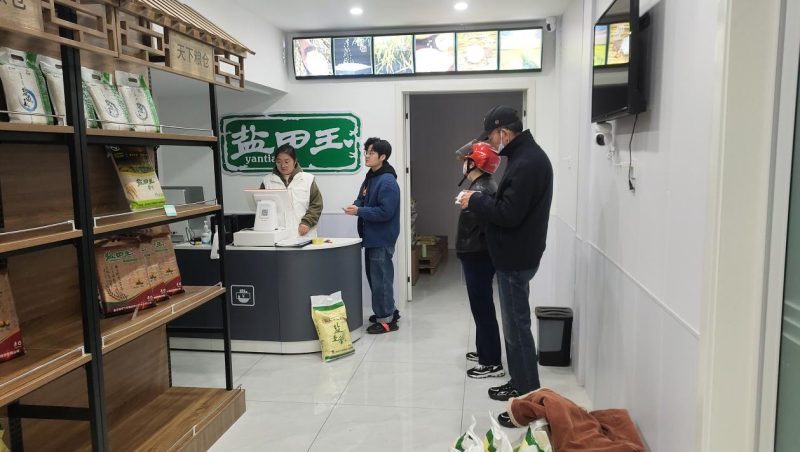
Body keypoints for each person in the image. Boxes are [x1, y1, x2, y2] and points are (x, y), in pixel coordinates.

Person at [459, 106, 554, 428]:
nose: (492, 144)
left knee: (517, 330)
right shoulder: (525, 157)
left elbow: (509, 214)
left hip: (516, 257)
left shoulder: (528, 162)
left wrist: (475, 200)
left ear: (504, 132)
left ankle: (527, 399)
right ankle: (519, 383)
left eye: (492, 138)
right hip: (516, 254)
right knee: (515, 327)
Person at [456, 142, 504, 379]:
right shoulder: (482, 185)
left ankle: (491, 362)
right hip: (477, 253)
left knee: (482, 307)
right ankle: (484, 350)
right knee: (480, 306)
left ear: (474, 163)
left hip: (478, 255)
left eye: (466, 160)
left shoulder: (482, 189)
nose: (463, 164)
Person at [344, 138, 401, 334]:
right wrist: (356, 206)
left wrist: (359, 211)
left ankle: (386, 321)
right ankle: (389, 311)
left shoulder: (387, 181)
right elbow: (361, 199)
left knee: (380, 279)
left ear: (382, 157)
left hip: (381, 238)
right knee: (377, 278)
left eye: (371, 153)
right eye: (366, 152)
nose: (366, 156)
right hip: (371, 238)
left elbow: (385, 212)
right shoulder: (371, 177)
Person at [260, 144, 323, 238]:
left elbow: (316, 204)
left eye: (286, 161)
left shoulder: (307, 179)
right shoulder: (267, 181)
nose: (283, 165)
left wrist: (307, 222)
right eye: (279, 162)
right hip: (277, 235)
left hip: (302, 234)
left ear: (295, 161)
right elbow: (261, 207)